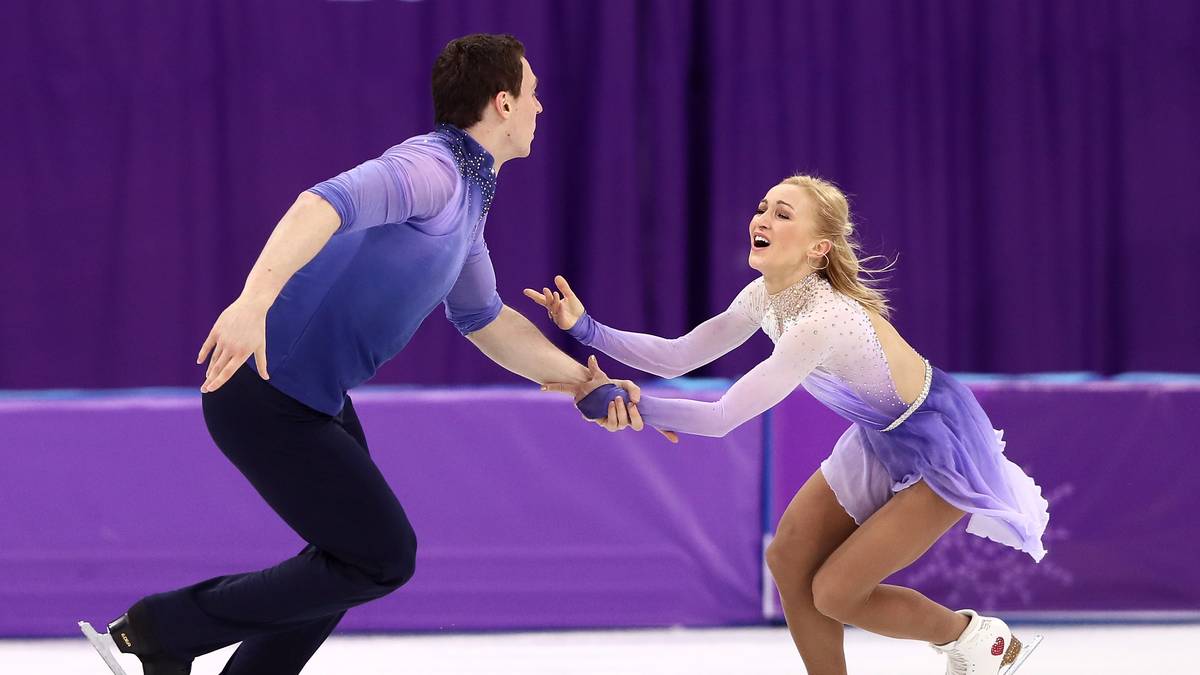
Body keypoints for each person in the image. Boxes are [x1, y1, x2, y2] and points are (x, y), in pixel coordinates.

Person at [81, 33, 641, 675]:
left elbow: (485, 319)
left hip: (312, 401)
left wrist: (583, 382)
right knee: (380, 556)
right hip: (263, 395)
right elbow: (321, 203)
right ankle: (161, 629)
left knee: (347, 560)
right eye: (534, 94)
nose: (543, 108)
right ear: (503, 103)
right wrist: (251, 303)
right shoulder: (431, 169)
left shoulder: (466, 201)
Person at [529, 174, 1048, 675]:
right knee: (788, 559)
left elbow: (721, 417)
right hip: (881, 435)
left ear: (818, 248)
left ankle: (978, 641)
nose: (764, 219)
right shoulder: (764, 295)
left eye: (783, 213)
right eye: (762, 209)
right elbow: (678, 357)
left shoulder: (822, 320)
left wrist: (625, 402)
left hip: (940, 444)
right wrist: (585, 328)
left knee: (838, 592)